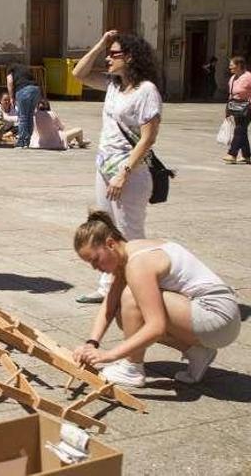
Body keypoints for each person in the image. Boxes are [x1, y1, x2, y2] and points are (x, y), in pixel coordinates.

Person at [71, 211, 241, 387]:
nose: (94, 267)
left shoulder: (138, 264)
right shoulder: (130, 250)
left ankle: (132, 369)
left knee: (131, 297)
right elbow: (109, 305)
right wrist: (91, 344)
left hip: (217, 315)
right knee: (127, 315)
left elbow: (156, 327)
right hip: (222, 317)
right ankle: (197, 352)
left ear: (110, 244)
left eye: (95, 260)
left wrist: (109, 355)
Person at [72, 30, 162, 304]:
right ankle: (107, 285)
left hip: (130, 174)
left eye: (114, 54)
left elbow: (148, 137)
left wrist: (124, 173)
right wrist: (101, 43)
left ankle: (139, 286)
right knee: (105, 228)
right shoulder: (113, 85)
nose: (108, 59)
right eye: (108, 54)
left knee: (129, 233)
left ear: (131, 57)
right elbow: (78, 73)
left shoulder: (146, 91)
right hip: (104, 167)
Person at [223, 56, 251, 164]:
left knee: (239, 129)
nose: (230, 67)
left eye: (232, 64)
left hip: (248, 107)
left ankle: (232, 153)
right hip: (236, 107)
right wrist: (228, 109)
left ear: (239, 65)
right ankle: (247, 156)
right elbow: (231, 93)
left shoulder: (248, 77)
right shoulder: (233, 77)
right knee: (241, 131)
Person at [7, 62, 41, 148]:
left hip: (23, 90)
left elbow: (10, 82)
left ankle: (21, 142)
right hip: (35, 90)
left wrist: (11, 97)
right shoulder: (25, 69)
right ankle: (27, 141)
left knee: (23, 117)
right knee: (29, 116)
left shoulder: (10, 69)